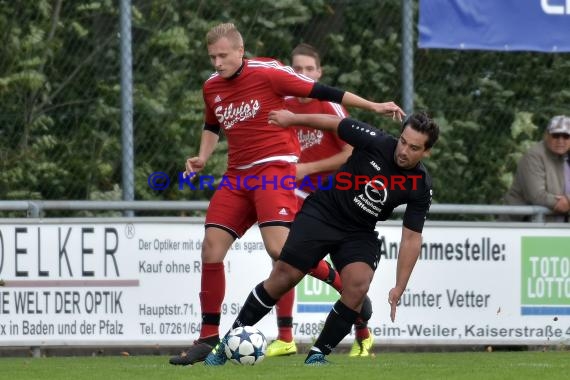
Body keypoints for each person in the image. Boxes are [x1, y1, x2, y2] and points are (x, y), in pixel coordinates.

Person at [169, 22, 405, 366]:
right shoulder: (212, 87)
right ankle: (207, 337)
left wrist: (374, 106)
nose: (217, 62)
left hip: (274, 170)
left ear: (240, 50)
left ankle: (341, 284)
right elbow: (211, 125)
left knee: (280, 251)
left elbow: (325, 91)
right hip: (237, 177)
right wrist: (203, 157)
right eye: (212, 57)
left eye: (223, 55)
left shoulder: (269, 73)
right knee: (211, 248)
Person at [202, 110, 439, 366]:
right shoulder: (377, 141)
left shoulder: (420, 185)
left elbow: (412, 238)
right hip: (323, 213)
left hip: (359, 232)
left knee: (358, 285)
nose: (403, 150)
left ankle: (317, 354)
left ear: (425, 152)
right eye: (403, 141)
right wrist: (293, 118)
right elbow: (333, 123)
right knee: (284, 276)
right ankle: (225, 344)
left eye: (414, 147)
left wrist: (399, 286)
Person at [266, 43, 373, 359]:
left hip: (336, 195)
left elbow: (350, 154)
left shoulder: (330, 106)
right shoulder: (283, 105)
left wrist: (305, 169)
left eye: (309, 69)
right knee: (283, 257)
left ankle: (363, 336)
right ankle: (285, 338)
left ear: (319, 73)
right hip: (296, 193)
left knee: (347, 270)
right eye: (296, 69)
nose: (303, 74)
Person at [504, 115, 570, 222]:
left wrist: (568, 201)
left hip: (559, 227)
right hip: (524, 228)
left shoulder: (567, 156)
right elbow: (537, 196)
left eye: (566, 136)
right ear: (546, 135)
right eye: (556, 135)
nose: (560, 140)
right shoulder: (534, 156)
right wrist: (564, 203)